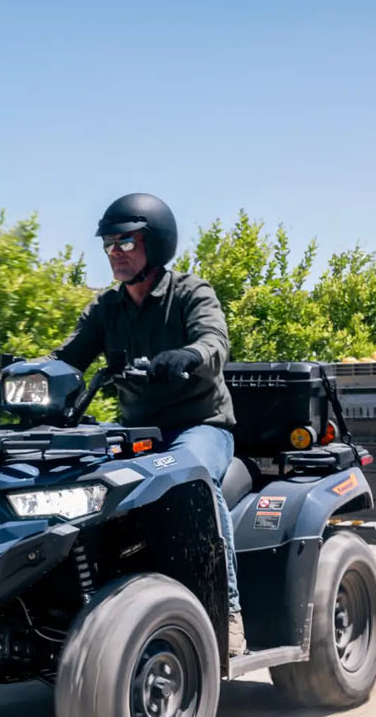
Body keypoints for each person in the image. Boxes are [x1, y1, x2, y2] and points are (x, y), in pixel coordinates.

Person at [54, 194, 245, 654]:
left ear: (154, 244)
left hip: (200, 428)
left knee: (191, 476)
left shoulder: (190, 293)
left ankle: (230, 614)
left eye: (125, 241)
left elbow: (214, 342)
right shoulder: (107, 308)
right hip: (137, 436)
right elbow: (69, 358)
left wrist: (188, 356)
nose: (115, 252)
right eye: (109, 244)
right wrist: (27, 371)